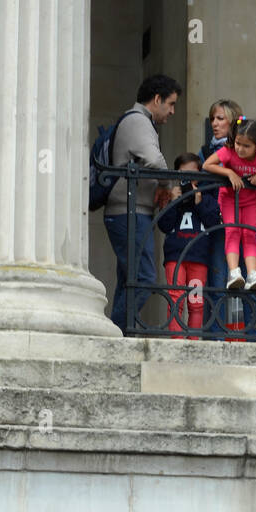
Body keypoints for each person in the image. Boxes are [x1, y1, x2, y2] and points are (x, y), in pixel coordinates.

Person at [103, 74, 182, 333]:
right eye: (170, 104)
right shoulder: (138, 121)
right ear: (156, 99)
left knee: (130, 280)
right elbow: (156, 162)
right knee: (145, 279)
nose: (172, 111)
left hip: (129, 211)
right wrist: (166, 187)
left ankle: (117, 331)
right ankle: (117, 331)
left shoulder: (139, 121)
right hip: (129, 212)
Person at [202, 119, 256, 292]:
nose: (240, 149)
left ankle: (252, 274)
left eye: (246, 146)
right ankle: (234, 272)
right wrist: (229, 172)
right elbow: (207, 164)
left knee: (249, 234)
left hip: (251, 200)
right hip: (229, 198)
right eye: (238, 143)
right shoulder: (228, 151)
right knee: (233, 231)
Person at [157, 153, 220, 335]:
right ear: (177, 174)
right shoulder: (172, 197)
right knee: (176, 298)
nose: (189, 179)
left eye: (194, 173)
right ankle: (177, 339)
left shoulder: (206, 197)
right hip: (175, 256)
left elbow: (213, 221)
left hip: (198, 257)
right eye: (184, 174)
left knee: (196, 302)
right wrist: (174, 201)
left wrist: (199, 201)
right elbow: (164, 224)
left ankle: (193, 340)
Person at [197, 98, 243, 335]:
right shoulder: (205, 152)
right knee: (217, 283)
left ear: (233, 121)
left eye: (220, 118)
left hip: (246, 222)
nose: (214, 124)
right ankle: (216, 338)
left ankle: (252, 340)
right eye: (212, 119)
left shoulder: (247, 146)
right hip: (219, 224)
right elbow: (201, 187)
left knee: (251, 284)